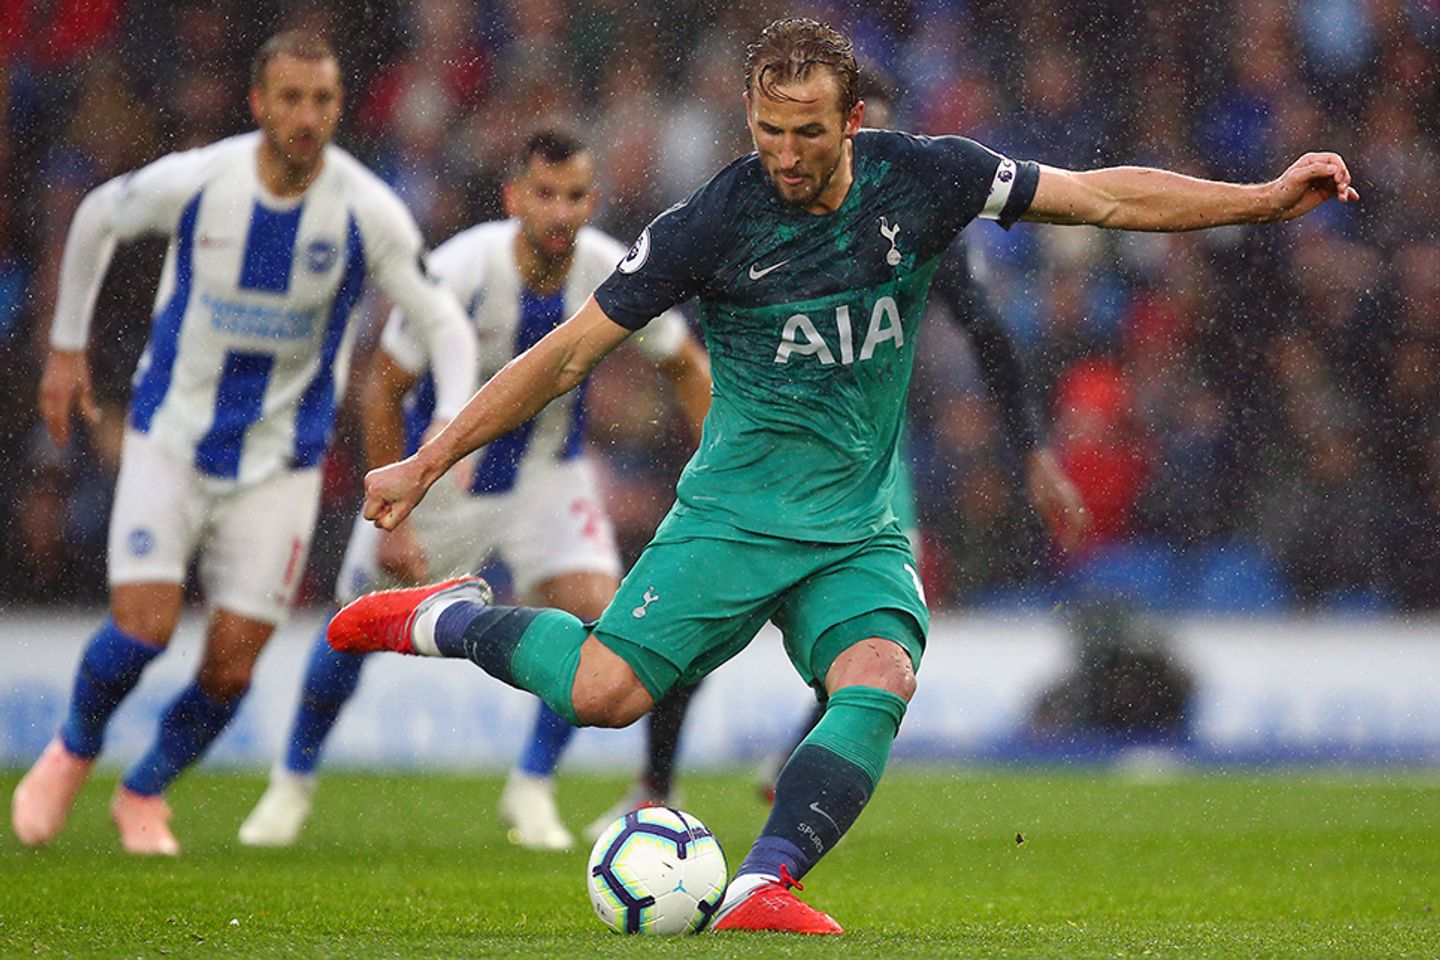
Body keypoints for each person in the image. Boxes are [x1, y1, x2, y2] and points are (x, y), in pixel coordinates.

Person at [329, 17, 1357, 934]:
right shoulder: (709, 224)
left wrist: (1263, 200)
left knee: (881, 676)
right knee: (604, 695)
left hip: (855, 526)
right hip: (733, 516)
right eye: (767, 130)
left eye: (808, 132)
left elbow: (1101, 200)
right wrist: (429, 459)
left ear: (852, 120)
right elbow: (564, 357)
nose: (784, 153)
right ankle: (446, 616)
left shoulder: (928, 175)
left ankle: (759, 885)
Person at [9, 31, 477, 856]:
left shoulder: (364, 209)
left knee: (230, 668)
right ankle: (72, 749)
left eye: (323, 101)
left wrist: (444, 428)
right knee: (144, 627)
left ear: (338, 107)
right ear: (258, 103)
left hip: (281, 466)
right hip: (173, 440)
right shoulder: (201, 182)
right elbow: (95, 217)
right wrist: (68, 347)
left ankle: (145, 789)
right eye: (290, 99)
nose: (306, 116)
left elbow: (443, 321)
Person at [580, 68, 1085, 828]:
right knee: (685, 635)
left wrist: (1035, 453)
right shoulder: (748, 219)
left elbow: (985, 329)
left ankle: (796, 766)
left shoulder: (919, 209)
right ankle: (656, 782)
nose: (862, 154)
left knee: (878, 635)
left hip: (868, 466)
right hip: (757, 458)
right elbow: (666, 320)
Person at [237, 130, 711, 850]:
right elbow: (384, 388)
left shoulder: (610, 268)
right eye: (545, 194)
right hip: (445, 481)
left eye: (575, 196)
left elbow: (683, 362)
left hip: (548, 476)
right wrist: (396, 523)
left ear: (593, 200)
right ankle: (292, 781)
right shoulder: (462, 268)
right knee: (355, 622)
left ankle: (531, 788)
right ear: (514, 197)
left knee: (599, 619)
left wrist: (721, 461)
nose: (560, 211)